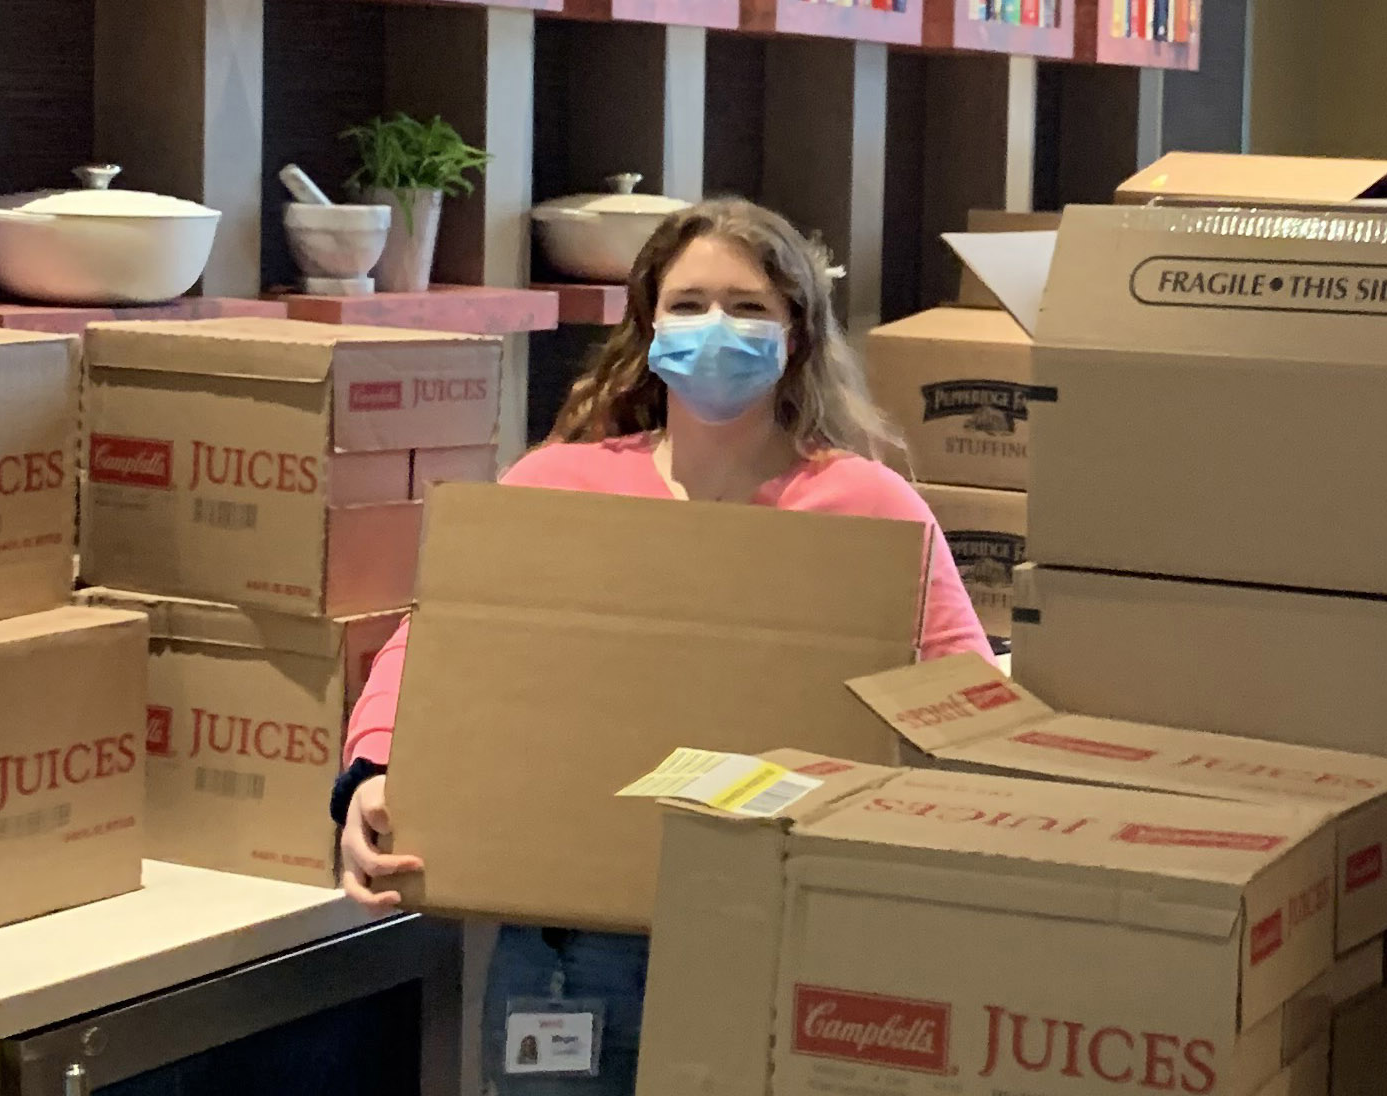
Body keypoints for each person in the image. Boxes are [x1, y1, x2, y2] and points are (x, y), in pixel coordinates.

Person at [329, 196, 991, 1096]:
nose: (714, 328)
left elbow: (967, 702)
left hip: (783, 949)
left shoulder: (868, 508)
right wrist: (369, 774)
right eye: (687, 305)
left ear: (795, 333)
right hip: (567, 949)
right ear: (646, 328)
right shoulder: (559, 485)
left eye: (747, 306)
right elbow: (437, 647)